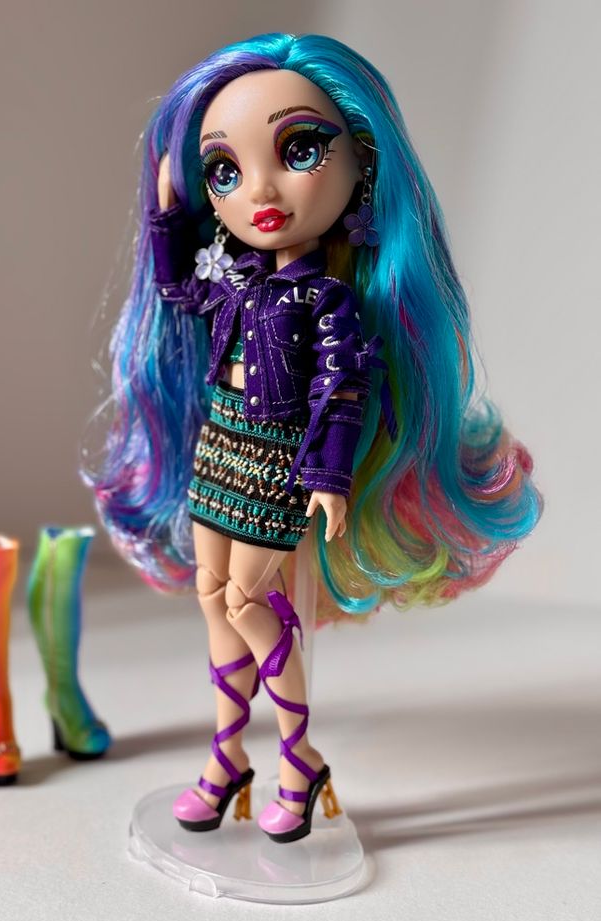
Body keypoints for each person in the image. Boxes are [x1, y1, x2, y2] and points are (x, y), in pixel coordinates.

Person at [84, 34, 541, 844]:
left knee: (246, 600)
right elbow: (178, 286)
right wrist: (165, 213)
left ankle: (298, 760)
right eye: (224, 169)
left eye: (298, 150)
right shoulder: (235, 282)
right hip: (219, 450)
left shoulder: (327, 302)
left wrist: (328, 477)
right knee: (212, 596)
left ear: (362, 163)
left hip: (275, 465)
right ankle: (227, 758)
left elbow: (342, 391)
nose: (258, 189)